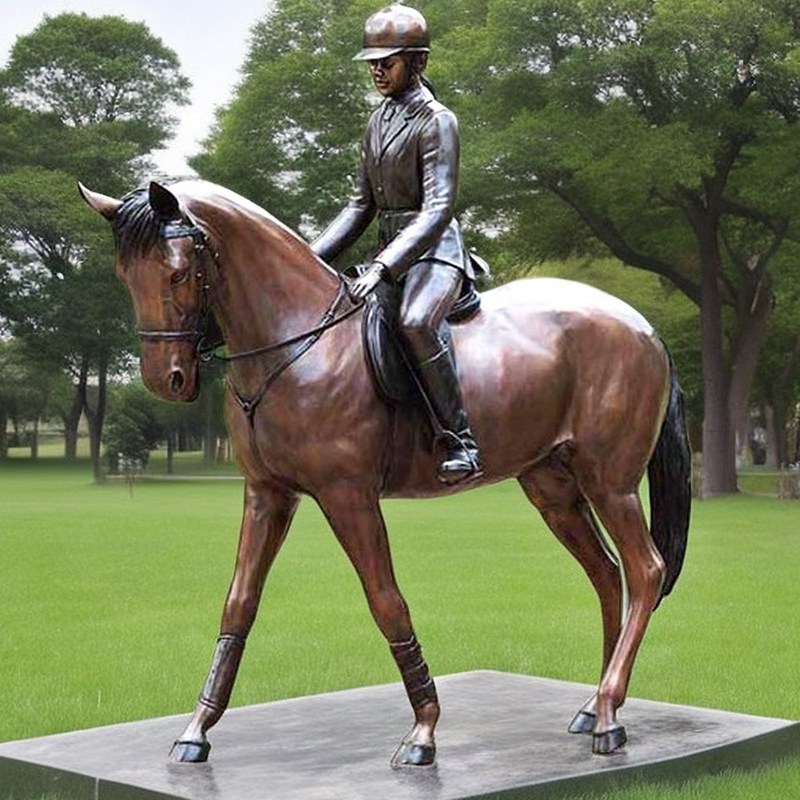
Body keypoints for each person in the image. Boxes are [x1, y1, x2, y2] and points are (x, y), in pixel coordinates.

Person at [311, 4, 482, 485]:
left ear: (418, 62)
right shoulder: (377, 122)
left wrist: (384, 266)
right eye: (372, 61)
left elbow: (437, 208)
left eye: (388, 60)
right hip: (387, 259)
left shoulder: (437, 121)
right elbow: (359, 207)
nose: (377, 69)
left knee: (415, 321)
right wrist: (306, 258)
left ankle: (460, 439)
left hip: (434, 253)